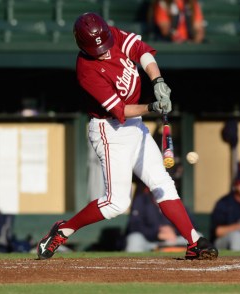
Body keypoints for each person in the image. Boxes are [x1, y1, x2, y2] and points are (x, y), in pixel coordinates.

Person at [36, 12, 217, 260]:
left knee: (162, 184)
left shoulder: (111, 34)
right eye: (95, 47)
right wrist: (152, 108)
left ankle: (194, 242)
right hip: (109, 130)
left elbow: (142, 51)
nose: (102, 50)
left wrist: (158, 81)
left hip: (135, 126)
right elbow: (119, 110)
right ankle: (63, 230)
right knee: (116, 203)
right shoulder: (86, 70)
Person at [125, 180, 187, 252]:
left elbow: (191, 225)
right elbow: (134, 226)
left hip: (173, 240)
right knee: (134, 239)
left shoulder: (177, 201)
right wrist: (157, 233)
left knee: (197, 237)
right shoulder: (142, 200)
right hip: (149, 242)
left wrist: (173, 231)